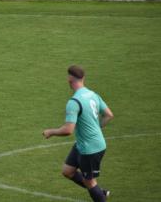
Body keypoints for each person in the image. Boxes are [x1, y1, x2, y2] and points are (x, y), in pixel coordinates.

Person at [42, 65, 114, 202]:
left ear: (70, 80)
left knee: (90, 182)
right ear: (83, 78)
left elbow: (68, 130)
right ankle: (100, 193)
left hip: (90, 149)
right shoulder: (93, 94)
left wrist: (51, 132)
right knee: (67, 171)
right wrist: (96, 128)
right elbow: (109, 115)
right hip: (84, 144)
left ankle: (100, 195)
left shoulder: (74, 102)